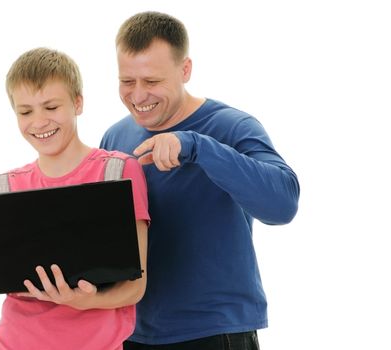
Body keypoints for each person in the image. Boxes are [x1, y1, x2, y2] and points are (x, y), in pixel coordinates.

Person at [100, 11, 300, 350]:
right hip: (132, 332)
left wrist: (197, 147)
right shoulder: (115, 138)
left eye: (151, 81)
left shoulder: (232, 127)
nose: (137, 95)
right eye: (127, 81)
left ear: (185, 70)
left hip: (214, 332)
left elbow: (283, 205)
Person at [0, 47, 150, 350]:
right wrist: (13, 267)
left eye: (51, 107)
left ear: (78, 103)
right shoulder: (4, 187)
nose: (39, 122)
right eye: (25, 112)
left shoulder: (118, 171)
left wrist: (85, 301)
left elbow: (135, 287)